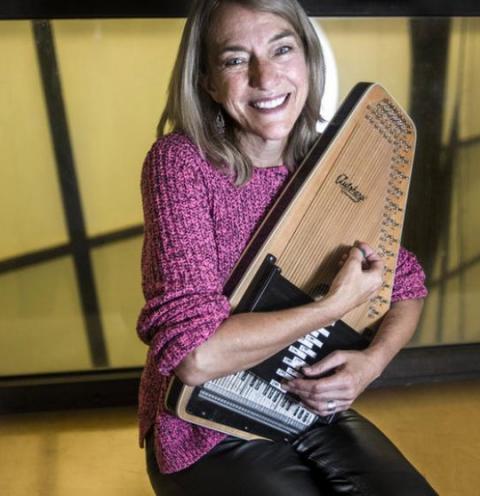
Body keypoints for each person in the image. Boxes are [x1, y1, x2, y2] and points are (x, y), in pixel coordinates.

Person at [136, 0, 437, 494]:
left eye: (282, 50)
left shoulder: (332, 165)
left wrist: (371, 363)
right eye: (236, 59)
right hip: (202, 427)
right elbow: (196, 358)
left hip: (302, 407)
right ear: (207, 81)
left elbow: (406, 284)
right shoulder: (181, 163)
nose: (265, 77)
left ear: (308, 60)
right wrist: (330, 307)